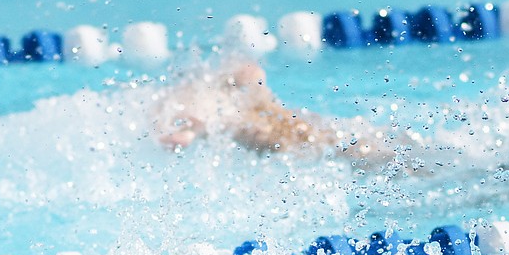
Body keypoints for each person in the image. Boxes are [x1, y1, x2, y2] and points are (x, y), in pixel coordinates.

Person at [153, 60, 419, 168]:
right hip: (308, 127)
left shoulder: (206, 105)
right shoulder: (215, 88)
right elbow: (252, 70)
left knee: (369, 155)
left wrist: (191, 133)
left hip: (297, 136)